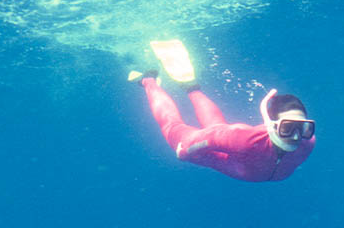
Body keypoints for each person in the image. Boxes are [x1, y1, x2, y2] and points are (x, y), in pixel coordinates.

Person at [129, 69, 315, 182]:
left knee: (218, 127)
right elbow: (208, 138)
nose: (297, 136)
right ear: (271, 125)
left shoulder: (309, 142)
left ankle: (191, 87)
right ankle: (148, 80)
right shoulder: (244, 139)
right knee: (173, 129)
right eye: (288, 127)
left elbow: (218, 133)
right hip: (223, 157)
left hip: (240, 160)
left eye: (304, 128)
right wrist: (185, 151)